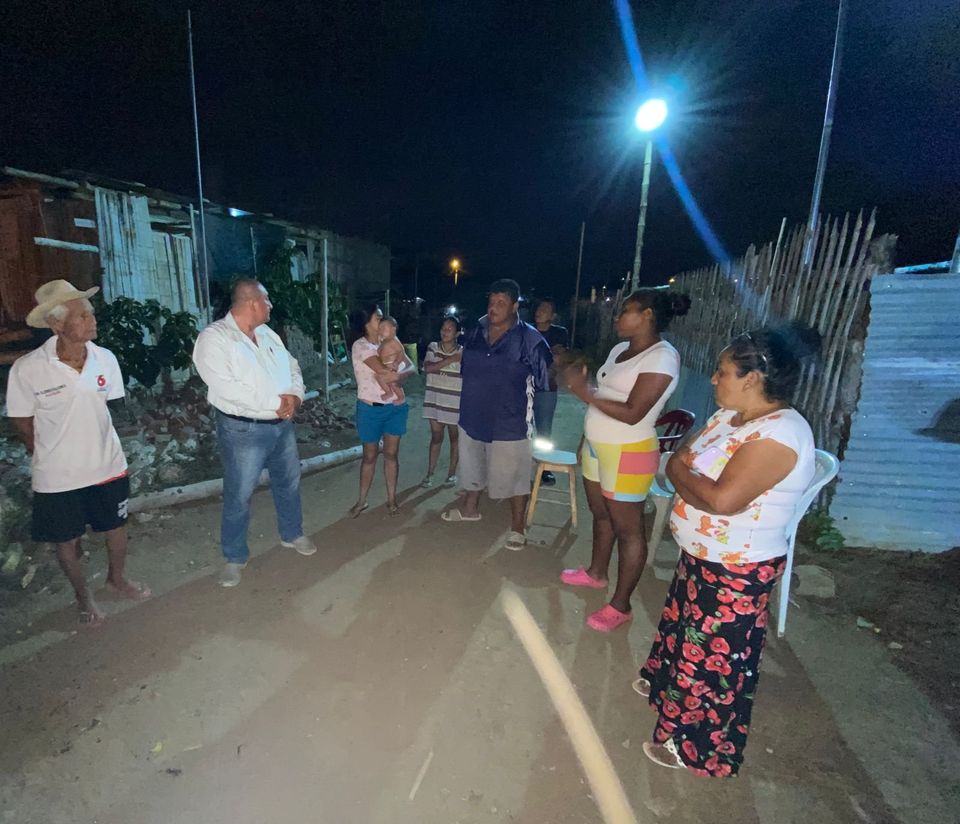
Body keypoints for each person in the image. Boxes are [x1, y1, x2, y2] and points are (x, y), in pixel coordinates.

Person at [637, 323, 819, 777]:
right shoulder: (729, 417)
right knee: (685, 634)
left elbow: (721, 500)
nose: (714, 379)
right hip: (702, 556)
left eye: (722, 371)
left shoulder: (780, 435)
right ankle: (665, 691)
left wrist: (681, 472)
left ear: (752, 378)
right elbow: (683, 460)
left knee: (711, 660)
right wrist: (683, 473)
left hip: (737, 569)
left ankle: (694, 748)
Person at [5, 280, 150, 625]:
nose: (92, 320)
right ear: (57, 324)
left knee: (116, 526)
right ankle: (83, 597)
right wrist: (48, 451)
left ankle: (116, 579)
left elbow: (108, 408)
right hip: (58, 475)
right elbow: (22, 422)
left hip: (107, 465)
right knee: (66, 540)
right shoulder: (28, 369)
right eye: (82, 316)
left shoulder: (105, 359)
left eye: (90, 314)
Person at [561, 289, 690, 631]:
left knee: (629, 530)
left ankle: (621, 605)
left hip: (629, 451)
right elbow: (604, 395)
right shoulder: (620, 349)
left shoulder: (662, 357)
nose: (618, 317)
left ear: (647, 315)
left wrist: (583, 391)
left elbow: (634, 413)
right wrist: (585, 437)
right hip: (597, 446)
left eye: (626, 311)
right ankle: (596, 573)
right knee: (601, 513)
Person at [192, 278, 317, 588]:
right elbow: (226, 387)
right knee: (240, 493)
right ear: (251, 303)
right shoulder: (215, 339)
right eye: (266, 299)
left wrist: (295, 396)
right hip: (242, 430)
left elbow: (293, 367)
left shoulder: (268, 334)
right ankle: (234, 556)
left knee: (288, 482)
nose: (270, 305)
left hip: (281, 426)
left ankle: (292, 533)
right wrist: (277, 403)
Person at [442, 279, 551, 551]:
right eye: (491, 302)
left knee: (515, 475)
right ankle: (469, 508)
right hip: (472, 414)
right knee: (471, 466)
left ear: (515, 306)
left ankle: (518, 526)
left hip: (510, 420)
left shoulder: (530, 340)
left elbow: (545, 382)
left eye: (501, 303)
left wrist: (540, 424)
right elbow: (466, 367)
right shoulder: (475, 332)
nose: (494, 308)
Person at [349, 304, 413, 517]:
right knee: (369, 456)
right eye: (377, 318)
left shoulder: (389, 342)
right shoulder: (361, 346)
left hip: (394, 408)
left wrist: (401, 373)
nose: (382, 320)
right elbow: (384, 371)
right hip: (370, 409)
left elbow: (412, 366)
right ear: (366, 323)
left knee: (391, 454)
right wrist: (400, 374)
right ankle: (362, 500)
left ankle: (392, 499)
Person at [420, 315, 463, 488]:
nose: (445, 332)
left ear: (457, 333)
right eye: (443, 328)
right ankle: (429, 473)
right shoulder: (433, 347)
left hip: (455, 403)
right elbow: (428, 368)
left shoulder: (464, 351)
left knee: (454, 439)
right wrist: (451, 359)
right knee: (436, 438)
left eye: (449, 329)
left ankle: (451, 474)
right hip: (435, 401)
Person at [531, 298, 569, 486]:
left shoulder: (559, 333)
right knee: (520, 428)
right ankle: (522, 465)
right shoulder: (526, 330)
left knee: (544, 430)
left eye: (545, 309)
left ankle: (544, 468)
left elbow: (559, 358)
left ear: (553, 316)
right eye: (539, 308)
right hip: (524, 387)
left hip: (547, 388)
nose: (540, 311)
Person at [374, 316, 407, 404]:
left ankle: (400, 396)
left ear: (393, 329)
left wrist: (397, 362)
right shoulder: (384, 341)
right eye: (379, 328)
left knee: (393, 383)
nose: (381, 330)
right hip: (387, 365)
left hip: (393, 365)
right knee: (384, 379)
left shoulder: (394, 341)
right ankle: (389, 392)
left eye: (384, 327)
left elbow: (401, 352)